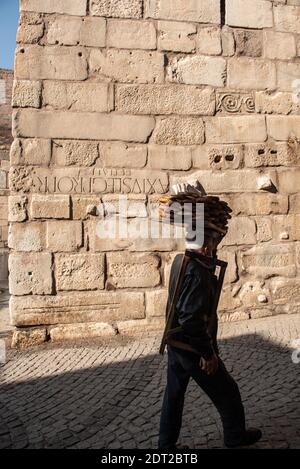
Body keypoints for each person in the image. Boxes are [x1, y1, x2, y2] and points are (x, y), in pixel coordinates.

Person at [158, 230, 262, 450]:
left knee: (174, 396)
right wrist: (207, 353)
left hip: (176, 342)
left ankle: (165, 447)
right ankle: (235, 437)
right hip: (190, 346)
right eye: (213, 243)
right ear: (205, 247)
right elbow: (190, 318)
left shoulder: (180, 260)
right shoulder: (197, 272)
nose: (215, 249)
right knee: (228, 391)